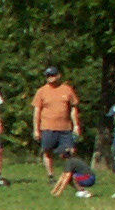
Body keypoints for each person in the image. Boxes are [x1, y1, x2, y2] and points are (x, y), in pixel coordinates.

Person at [29, 66, 83, 195]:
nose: (50, 78)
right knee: (47, 151)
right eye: (48, 76)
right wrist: (36, 129)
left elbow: (73, 108)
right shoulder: (42, 91)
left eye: (52, 75)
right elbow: (37, 111)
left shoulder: (67, 90)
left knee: (69, 153)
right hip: (47, 127)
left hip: (65, 128)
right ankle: (51, 176)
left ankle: (70, 176)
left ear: (58, 75)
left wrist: (76, 125)